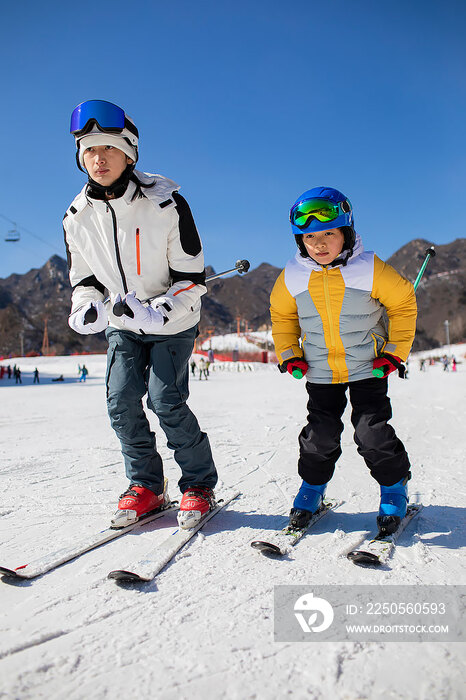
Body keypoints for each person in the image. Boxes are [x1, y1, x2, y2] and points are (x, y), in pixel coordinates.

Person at [64, 99, 217, 529]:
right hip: (121, 324)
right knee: (119, 401)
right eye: (89, 150)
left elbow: (191, 279)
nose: (98, 159)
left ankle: (199, 484)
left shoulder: (166, 204)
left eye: (109, 149)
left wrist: (158, 312)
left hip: (173, 322)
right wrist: (85, 307)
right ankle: (147, 485)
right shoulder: (76, 217)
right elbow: (85, 278)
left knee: (166, 400)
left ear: (129, 152)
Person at [270, 187, 417, 535]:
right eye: (309, 236)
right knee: (319, 435)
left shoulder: (370, 268)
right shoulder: (292, 275)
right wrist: (290, 354)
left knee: (371, 433)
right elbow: (282, 316)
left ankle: (394, 486)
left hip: (368, 367)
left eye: (329, 233)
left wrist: (395, 352)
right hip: (320, 372)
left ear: (346, 233)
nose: (319, 244)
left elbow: (403, 304)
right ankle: (312, 488)